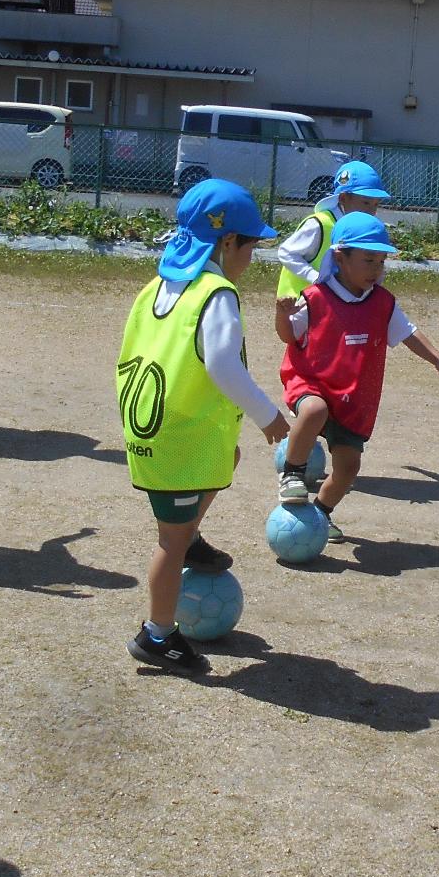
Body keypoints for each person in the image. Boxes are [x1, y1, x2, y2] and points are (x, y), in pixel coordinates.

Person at [119, 179, 290, 676]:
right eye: (251, 244)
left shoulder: (158, 286)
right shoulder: (216, 292)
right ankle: (157, 635)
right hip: (177, 432)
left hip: (161, 426)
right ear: (226, 243)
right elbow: (221, 363)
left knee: (225, 459)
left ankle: (190, 534)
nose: (252, 256)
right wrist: (267, 415)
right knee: (169, 543)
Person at [273, 211, 439, 541]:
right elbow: (288, 337)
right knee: (314, 411)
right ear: (339, 258)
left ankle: (320, 515)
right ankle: (292, 473)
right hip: (311, 382)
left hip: (353, 398)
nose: (376, 270)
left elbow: (409, 334)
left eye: (381, 262)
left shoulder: (383, 304)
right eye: (368, 260)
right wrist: (283, 316)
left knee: (348, 468)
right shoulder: (314, 298)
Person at [275, 159, 392, 301]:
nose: (371, 211)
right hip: (297, 304)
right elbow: (286, 253)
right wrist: (315, 277)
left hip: (330, 306)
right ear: (343, 198)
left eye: (376, 204)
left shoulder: (362, 231)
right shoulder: (320, 224)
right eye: (366, 202)